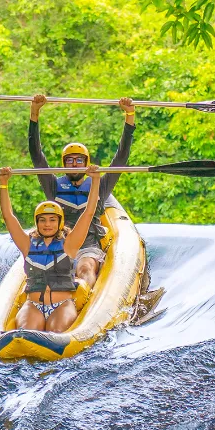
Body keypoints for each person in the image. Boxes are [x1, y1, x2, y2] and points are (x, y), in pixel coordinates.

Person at [29, 94, 135, 288]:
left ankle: (82, 294)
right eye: (70, 160)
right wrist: (34, 113)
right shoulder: (53, 186)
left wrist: (129, 116)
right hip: (59, 245)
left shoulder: (100, 186)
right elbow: (37, 157)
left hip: (89, 247)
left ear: (86, 163)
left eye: (79, 160)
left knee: (85, 268)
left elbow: (121, 158)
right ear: (64, 164)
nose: (75, 164)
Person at [0, 164, 101, 332]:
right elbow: (8, 216)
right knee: (27, 333)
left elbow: (89, 212)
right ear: (37, 222)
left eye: (52, 220)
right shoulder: (27, 244)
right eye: (43, 220)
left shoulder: (70, 244)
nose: (47, 224)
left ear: (60, 222)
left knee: (57, 332)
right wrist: (3, 184)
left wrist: (95, 180)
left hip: (62, 305)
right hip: (33, 305)